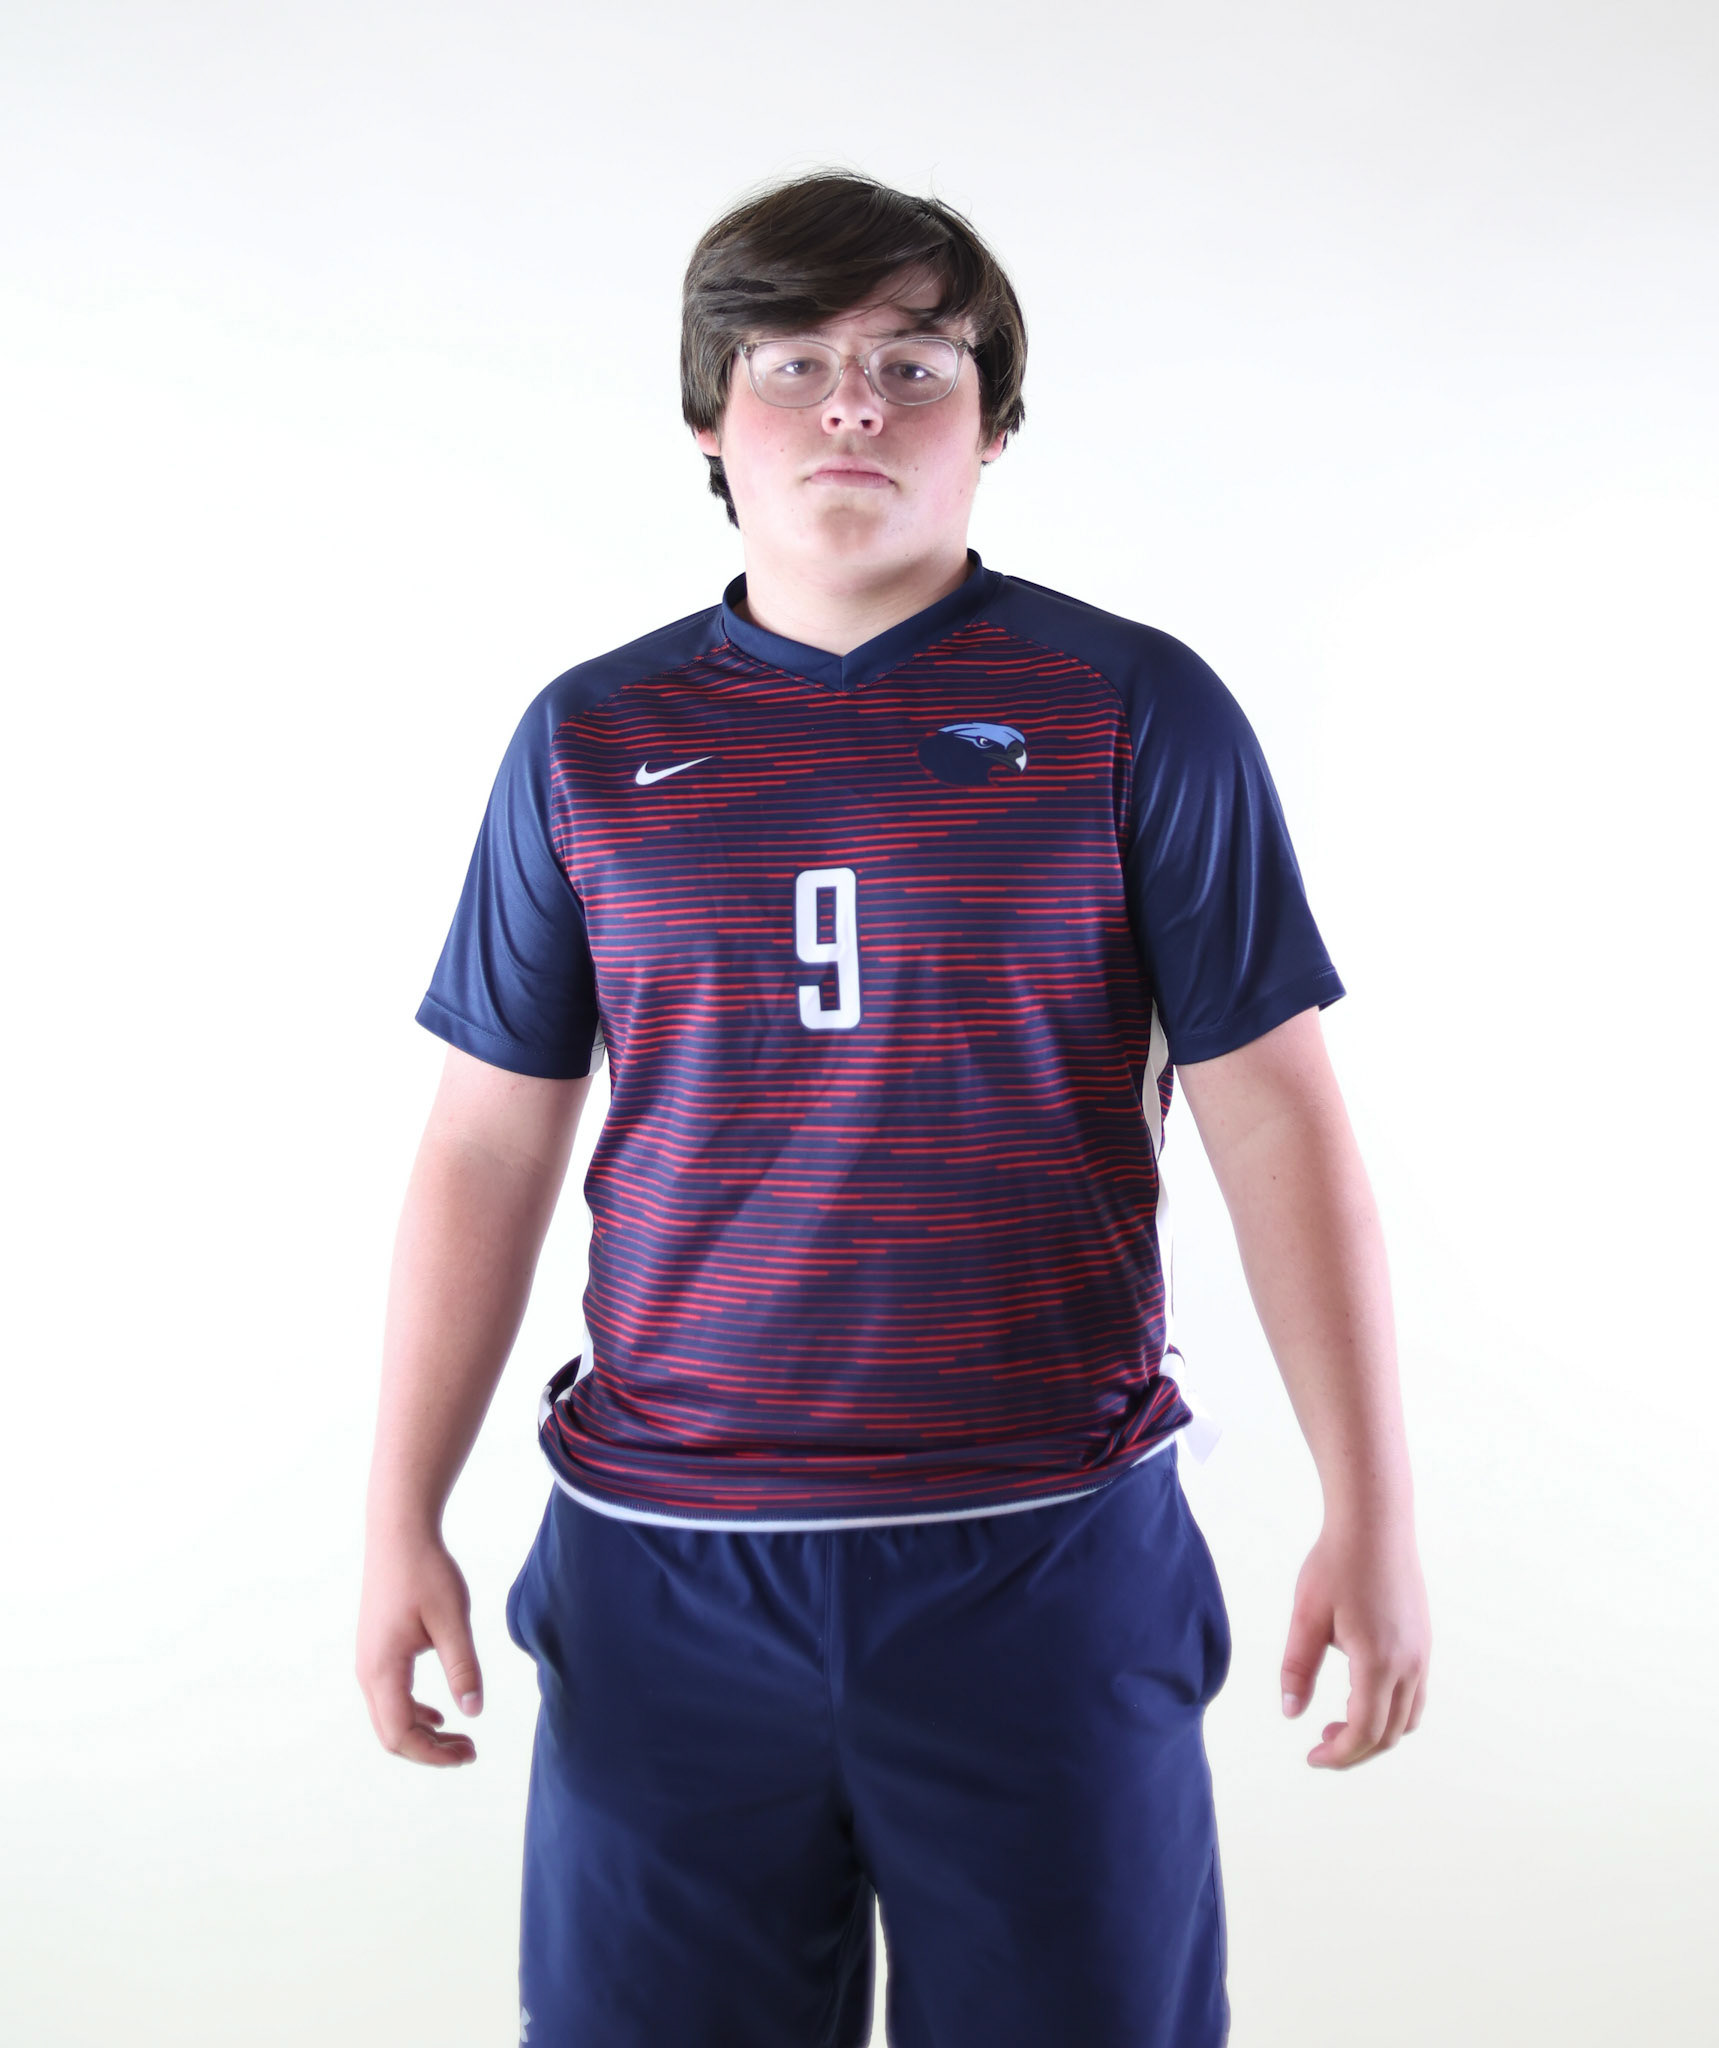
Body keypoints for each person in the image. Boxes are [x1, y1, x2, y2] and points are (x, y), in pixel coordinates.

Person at [356, 170, 1430, 2048]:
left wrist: (1377, 1505)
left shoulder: (1129, 710)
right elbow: (485, 1140)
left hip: (1044, 1553)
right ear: (712, 418)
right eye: (796, 362)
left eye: (915, 364)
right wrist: (397, 1514)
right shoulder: (590, 741)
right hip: (667, 1572)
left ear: (993, 423)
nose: (854, 406)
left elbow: (1278, 1117)